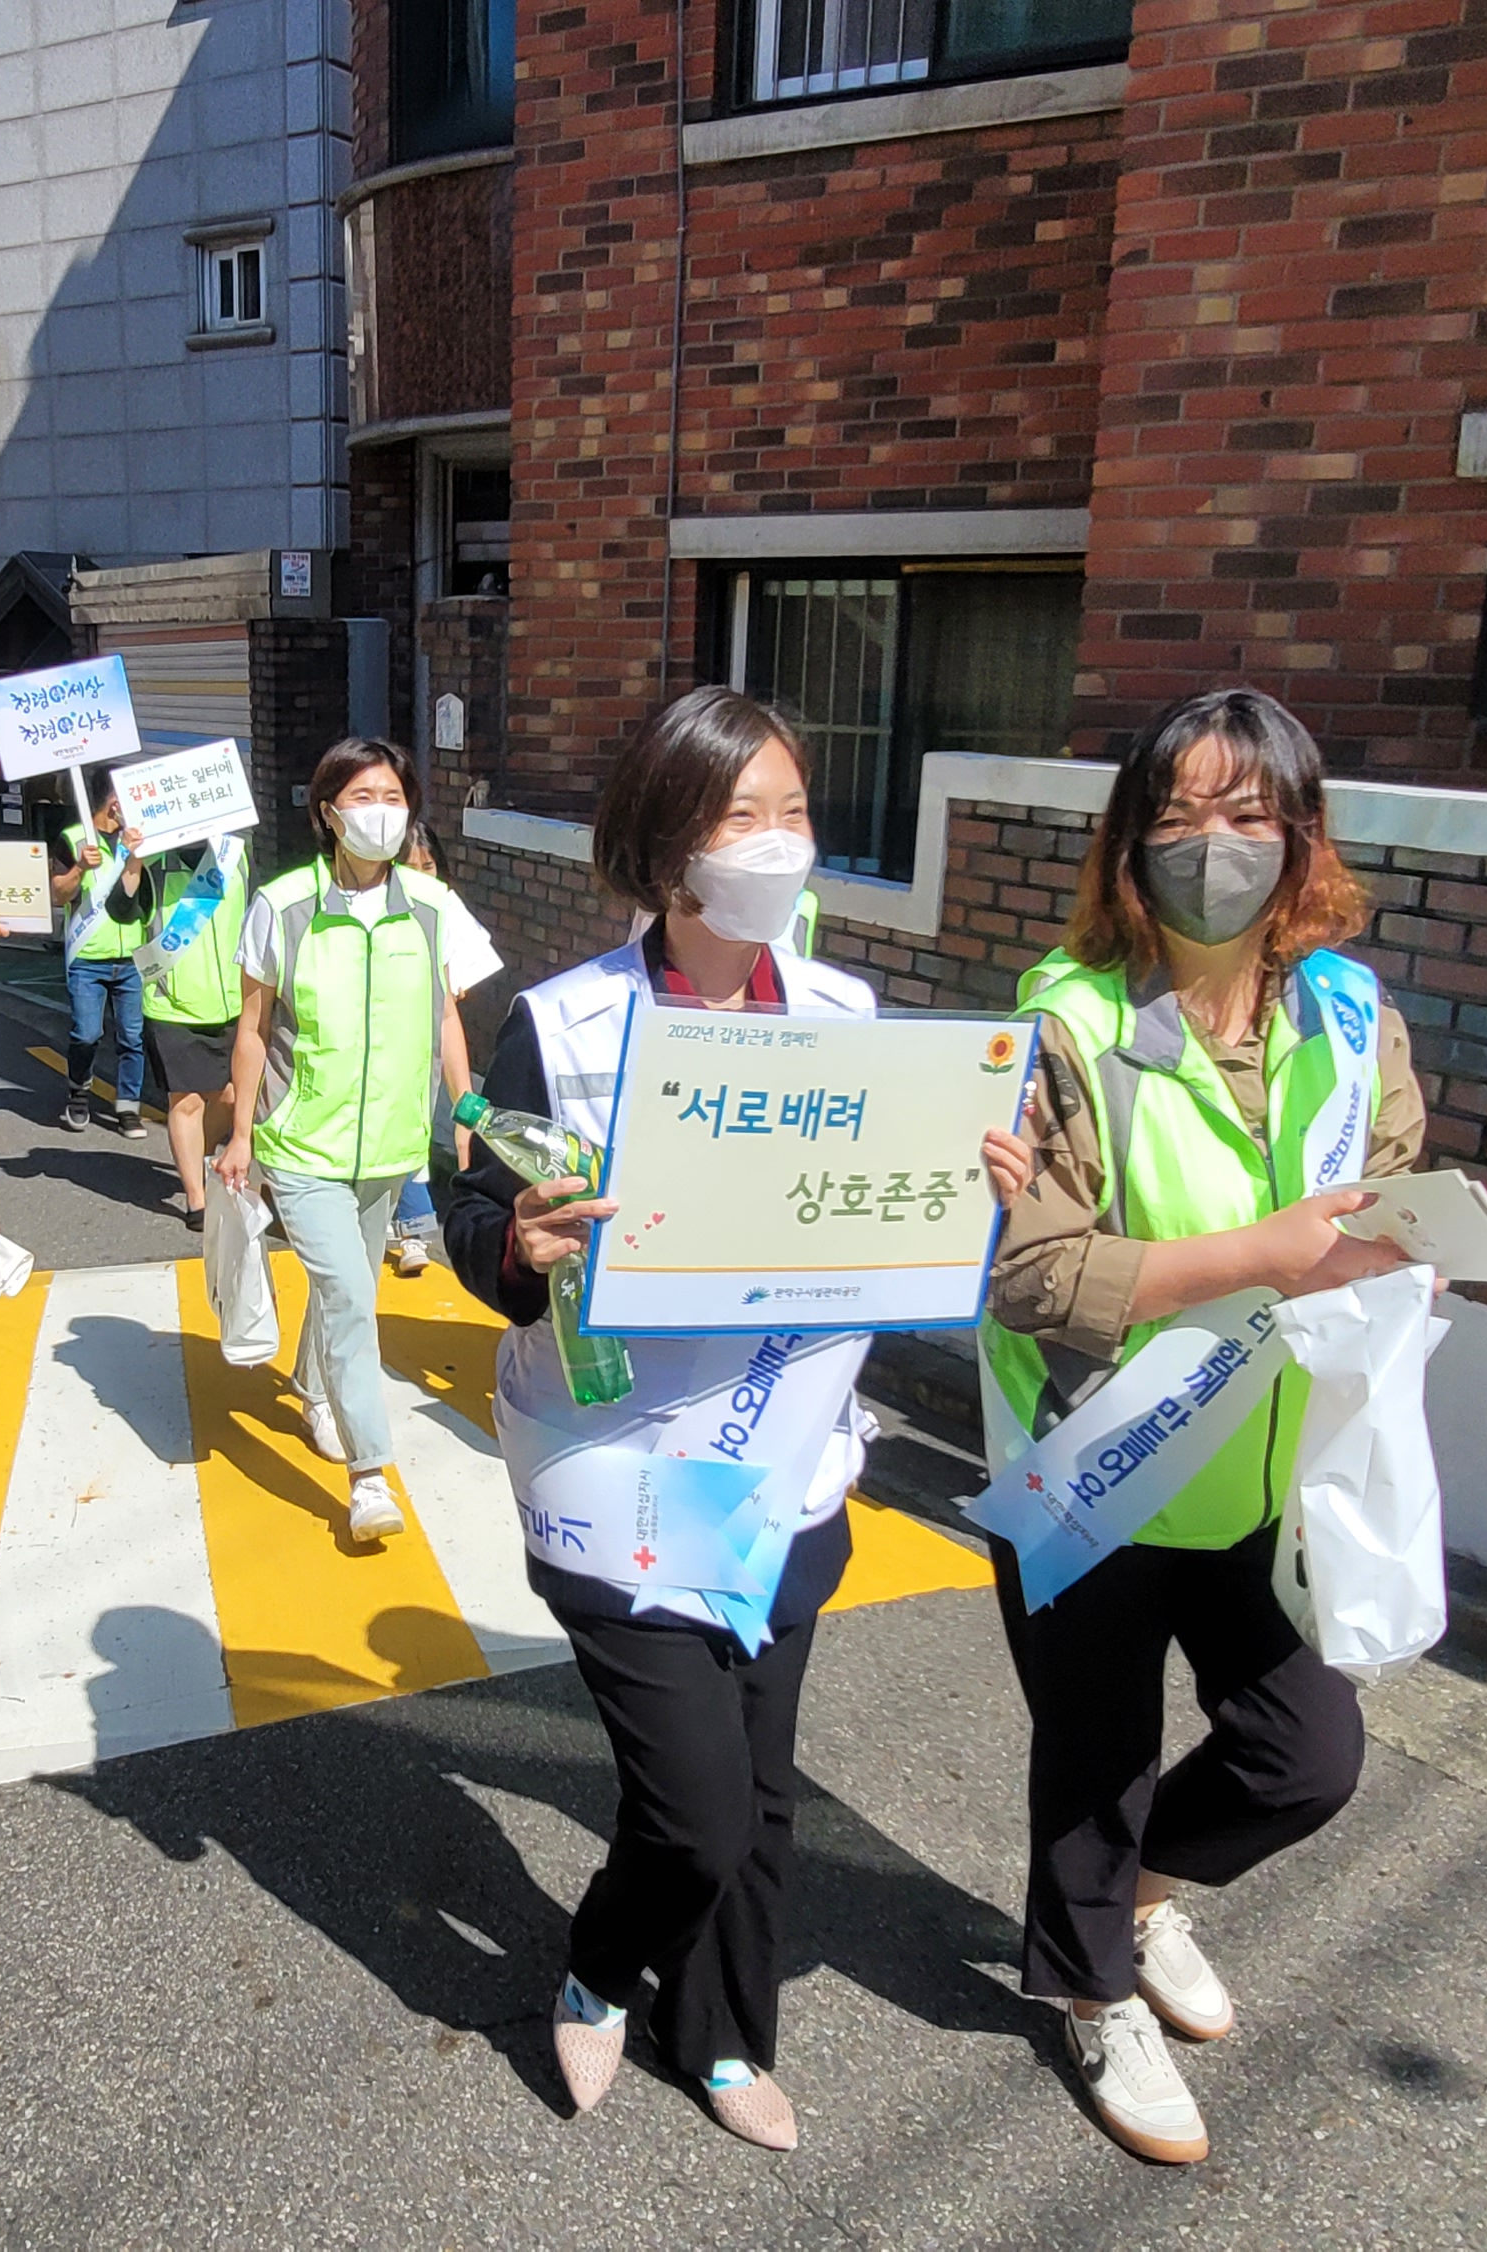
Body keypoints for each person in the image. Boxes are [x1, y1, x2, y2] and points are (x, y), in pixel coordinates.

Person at [438, 686, 1029, 2150]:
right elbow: (465, 1207)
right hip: (617, 1472)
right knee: (692, 1808)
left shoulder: (852, 1021)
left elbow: (897, 1221)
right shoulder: (563, 1026)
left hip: (785, 1469)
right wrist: (522, 1245)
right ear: (662, 844)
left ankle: (723, 2037)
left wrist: (981, 1192)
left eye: (794, 813)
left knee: (759, 1795)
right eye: (737, 816)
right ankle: (594, 1969)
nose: (776, 844)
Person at [976, 686, 1424, 2166]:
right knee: (1093, 1767)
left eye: (1245, 817)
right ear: (1125, 846)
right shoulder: (1067, 1025)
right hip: (1099, 1470)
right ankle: (1089, 1985)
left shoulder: (1352, 1017)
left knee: (1308, 1756)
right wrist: (1268, 1254)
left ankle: (1144, 1901)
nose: (1209, 849)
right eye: (1174, 820)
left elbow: (1393, 1186)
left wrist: (1405, 1243)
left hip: (1269, 1475)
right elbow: (1040, 1274)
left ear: (1300, 841)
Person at [216, 739, 471, 1544]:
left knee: (348, 1289)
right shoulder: (284, 904)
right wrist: (242, 1135)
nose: (381, 813)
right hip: (302, 1146)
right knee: (355, 1301)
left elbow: (446, 1016)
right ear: (327, 813)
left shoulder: (433, 906)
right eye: (362, 798)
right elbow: (254, 1030)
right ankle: (369, 1476)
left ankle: (315, 1385)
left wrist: (464, 1112)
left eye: (393, 796)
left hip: (391, 1146)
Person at [387, 826, 503, 1274]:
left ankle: (413, 1232)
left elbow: (447, 1015)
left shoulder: (443, 915)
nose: (421, 877)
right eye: (408, 867)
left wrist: (464, 1108)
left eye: (428, 866)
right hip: (356, 1069)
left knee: (411, 1138)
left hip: (416, 1064)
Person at [137, 829, 253, 1229]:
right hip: (173, 1004)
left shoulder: (234, 855)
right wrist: (131, 862)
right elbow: (121, 907)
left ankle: (199, 1155)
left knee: (230, 1096)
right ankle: (196, 1199)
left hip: (233, 1001)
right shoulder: (153, 862)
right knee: (186, 1101)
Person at [52, 785, 155, 1138]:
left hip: (130, 957)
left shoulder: (138, 838)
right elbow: (58, 893)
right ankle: (78, 1092)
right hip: (88, 957)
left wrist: (136, 853)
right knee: (86, 1033)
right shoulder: (72, 838)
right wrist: (80, 866)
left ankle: (129, 1107)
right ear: (113, 803)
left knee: (132, 1036)